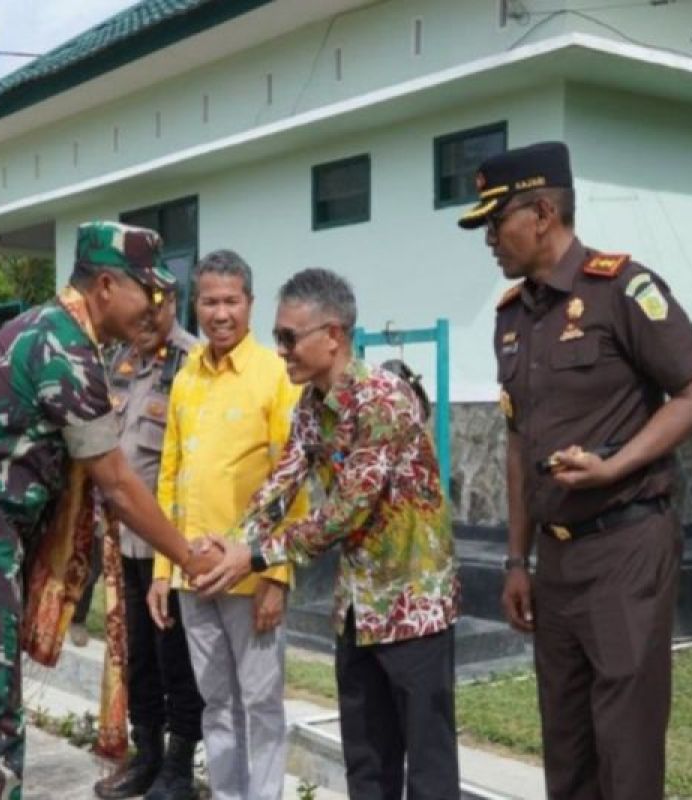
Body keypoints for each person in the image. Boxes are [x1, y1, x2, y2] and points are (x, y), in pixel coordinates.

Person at [0, 221, 219, 798]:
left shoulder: (51, 331)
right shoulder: (63, 348)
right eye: (152, 291)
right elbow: (116, 482)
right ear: (108, 286)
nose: (159, 306)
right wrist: (188, 557)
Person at [459, 141, 692, 799]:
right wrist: (516, 562)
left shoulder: (622, 289)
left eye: (498, 221)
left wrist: (616, 465)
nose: (489, 238)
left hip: (627, 546)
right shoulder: (513, 315)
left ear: (542, 213)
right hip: (557, 563)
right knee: (567, 749)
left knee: (626, 751)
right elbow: (518, 442)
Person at [197, 268, 461, 800]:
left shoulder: (383, 400)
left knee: (428, 770)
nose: (282, 351)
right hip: (358, 611)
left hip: (414, 609)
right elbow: (282, 480)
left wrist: (255, 554)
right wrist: (233, 540)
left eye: (289, 338)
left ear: (334, 336)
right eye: (279, 337)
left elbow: (347, 510)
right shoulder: (312, 407)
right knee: (367, 763)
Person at [148, 250, 302, 800]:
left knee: (261, 705)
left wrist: (276, 575)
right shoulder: (186, 378)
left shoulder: (276, 377)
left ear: (250, 305)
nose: (219, 314)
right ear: (196, 305)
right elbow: (170, 477)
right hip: (193, 577)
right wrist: (164, 569)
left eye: (230, 301)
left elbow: (294, 481)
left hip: (251, 577)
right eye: (209, 302)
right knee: (215, 703)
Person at [93, 291, 203, 800]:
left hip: (168, 543)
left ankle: (179, 767)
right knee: (135, 657)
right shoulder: (121, 359)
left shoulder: (192, 361)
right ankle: (148, 755)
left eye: (151, 309)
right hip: (122, 543)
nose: (141, 319)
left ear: (171, 303)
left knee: (173, 658)